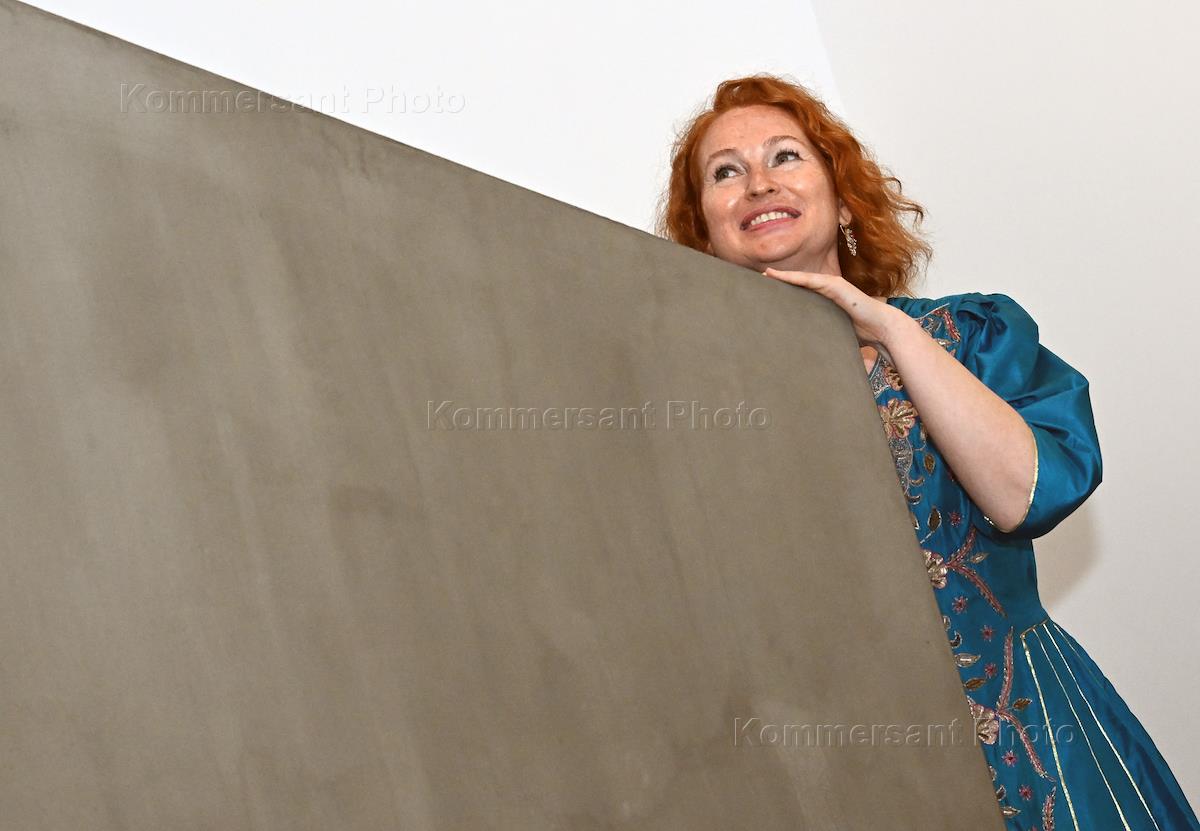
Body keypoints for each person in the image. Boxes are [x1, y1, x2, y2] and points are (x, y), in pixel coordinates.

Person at [655, 73, 1199, 831]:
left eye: (785, 156)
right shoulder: (690, 407)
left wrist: (889, 329)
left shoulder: (970, 335)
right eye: (725, 172)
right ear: (705, 232)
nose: (757, 183)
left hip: (1027, 734)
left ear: (844, 200)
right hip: (836, 761)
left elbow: (1026, 495)